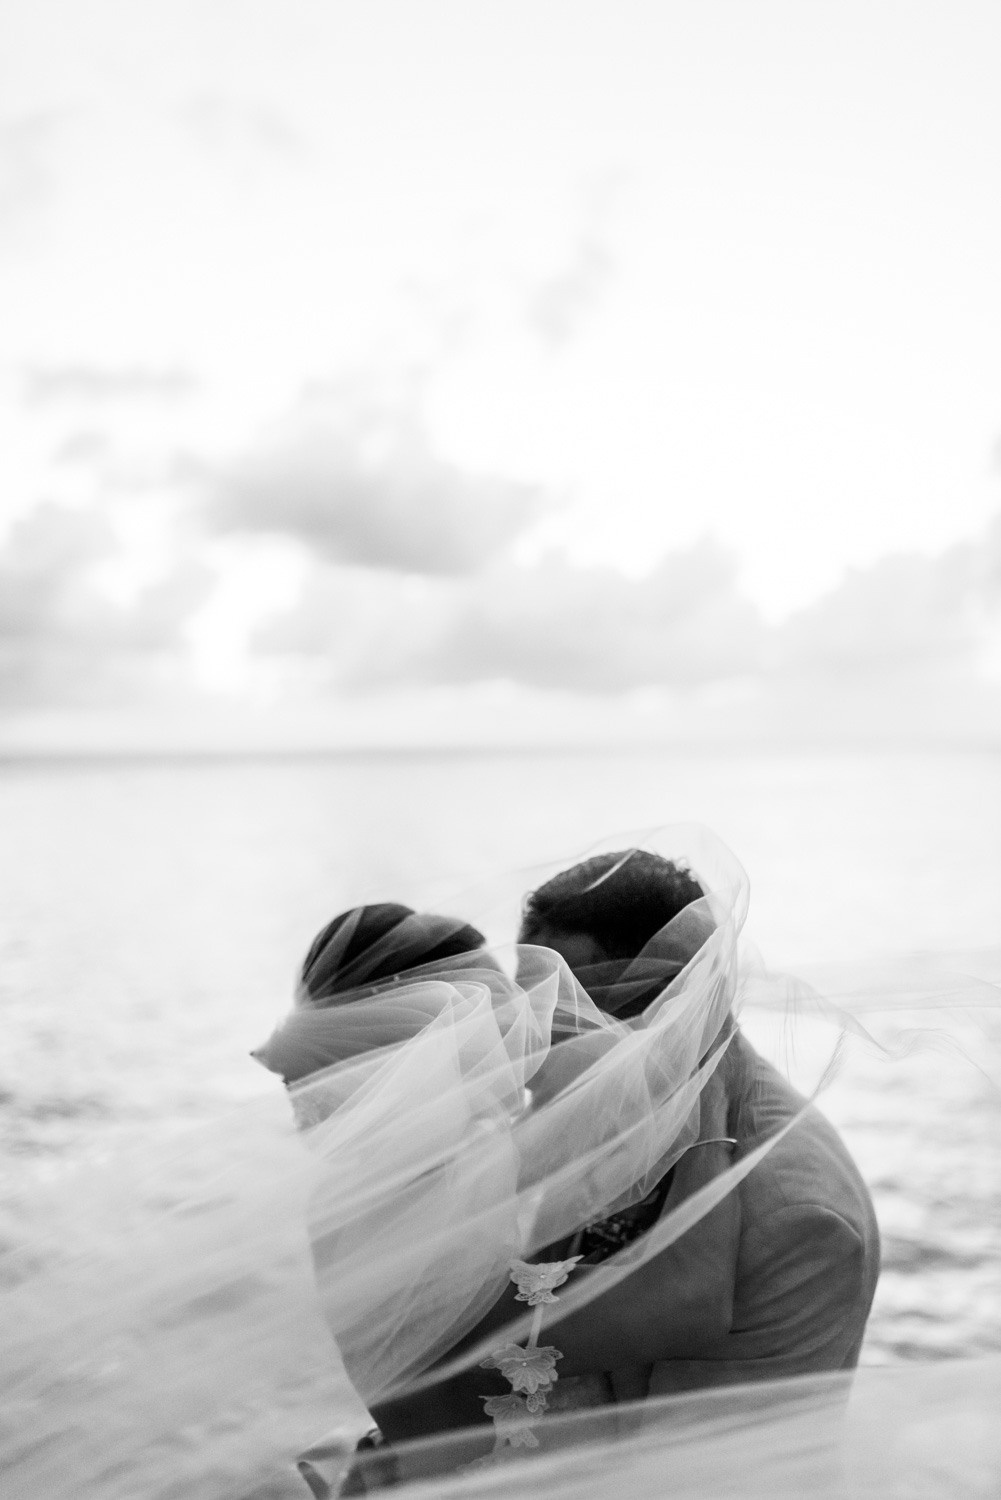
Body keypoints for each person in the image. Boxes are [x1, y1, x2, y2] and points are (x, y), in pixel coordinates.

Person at [515, 848, 882, 1395]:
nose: (524, 1055)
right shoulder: (593, 1107)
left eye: (557, 1017)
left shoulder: (795, 1217)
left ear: (665, 1013)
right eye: (523, 1007)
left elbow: (701, 1445)